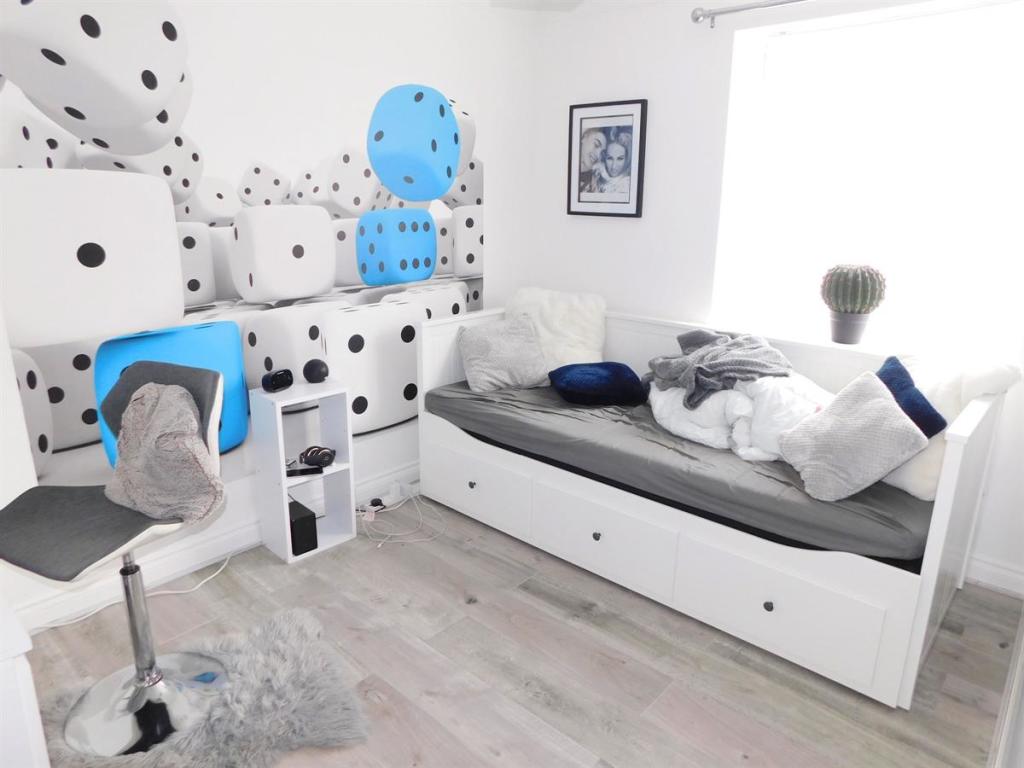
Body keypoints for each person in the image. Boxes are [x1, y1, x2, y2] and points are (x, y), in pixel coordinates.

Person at [578, 128, 607, 192]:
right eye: (596, 145)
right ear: (584, 138)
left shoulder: (594, 185)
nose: (598, 155)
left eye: (602, 153)